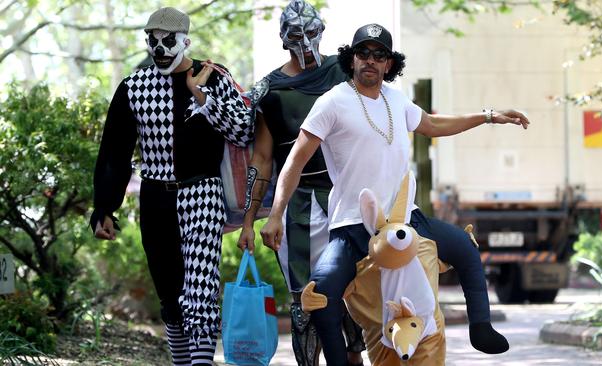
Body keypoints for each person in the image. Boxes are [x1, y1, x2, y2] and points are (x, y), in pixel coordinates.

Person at [261, 23, 529, 365]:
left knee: (465, 249)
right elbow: (294, 162)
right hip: (353, 227)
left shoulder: (396, 99)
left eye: (379, 55)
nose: (370, 61)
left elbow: (433, 125)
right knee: (321, 294)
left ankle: (481, 328)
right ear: (351, 58)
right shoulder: (332, 103)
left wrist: (488, 116)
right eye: (363, 53)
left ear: (389, 63)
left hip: (407, 219)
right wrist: (275, 214)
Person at [90, 7, 253, 365]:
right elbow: (115, 151)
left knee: (200, 289)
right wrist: (104, 207)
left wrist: (201, 95)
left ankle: (200, 363)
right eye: (153, 41)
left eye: (168, 41)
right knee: (169, 292)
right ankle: (183, 362)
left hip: (203, 193)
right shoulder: (134, 87)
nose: (159, 49)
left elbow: (244, 130)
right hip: (155, 197)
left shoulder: (214, 78)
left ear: (185, 40)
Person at [236, 1, 365, 365]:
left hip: (347, 197)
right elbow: (261, 159)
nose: (306, 42)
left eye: (312, 32)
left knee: (353, 291)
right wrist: (250, 220)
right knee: (303, 298)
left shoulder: (344, 74)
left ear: (322, 33)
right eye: (296, 34)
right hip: (296, 204)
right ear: (283, 39)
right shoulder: (272, 91)